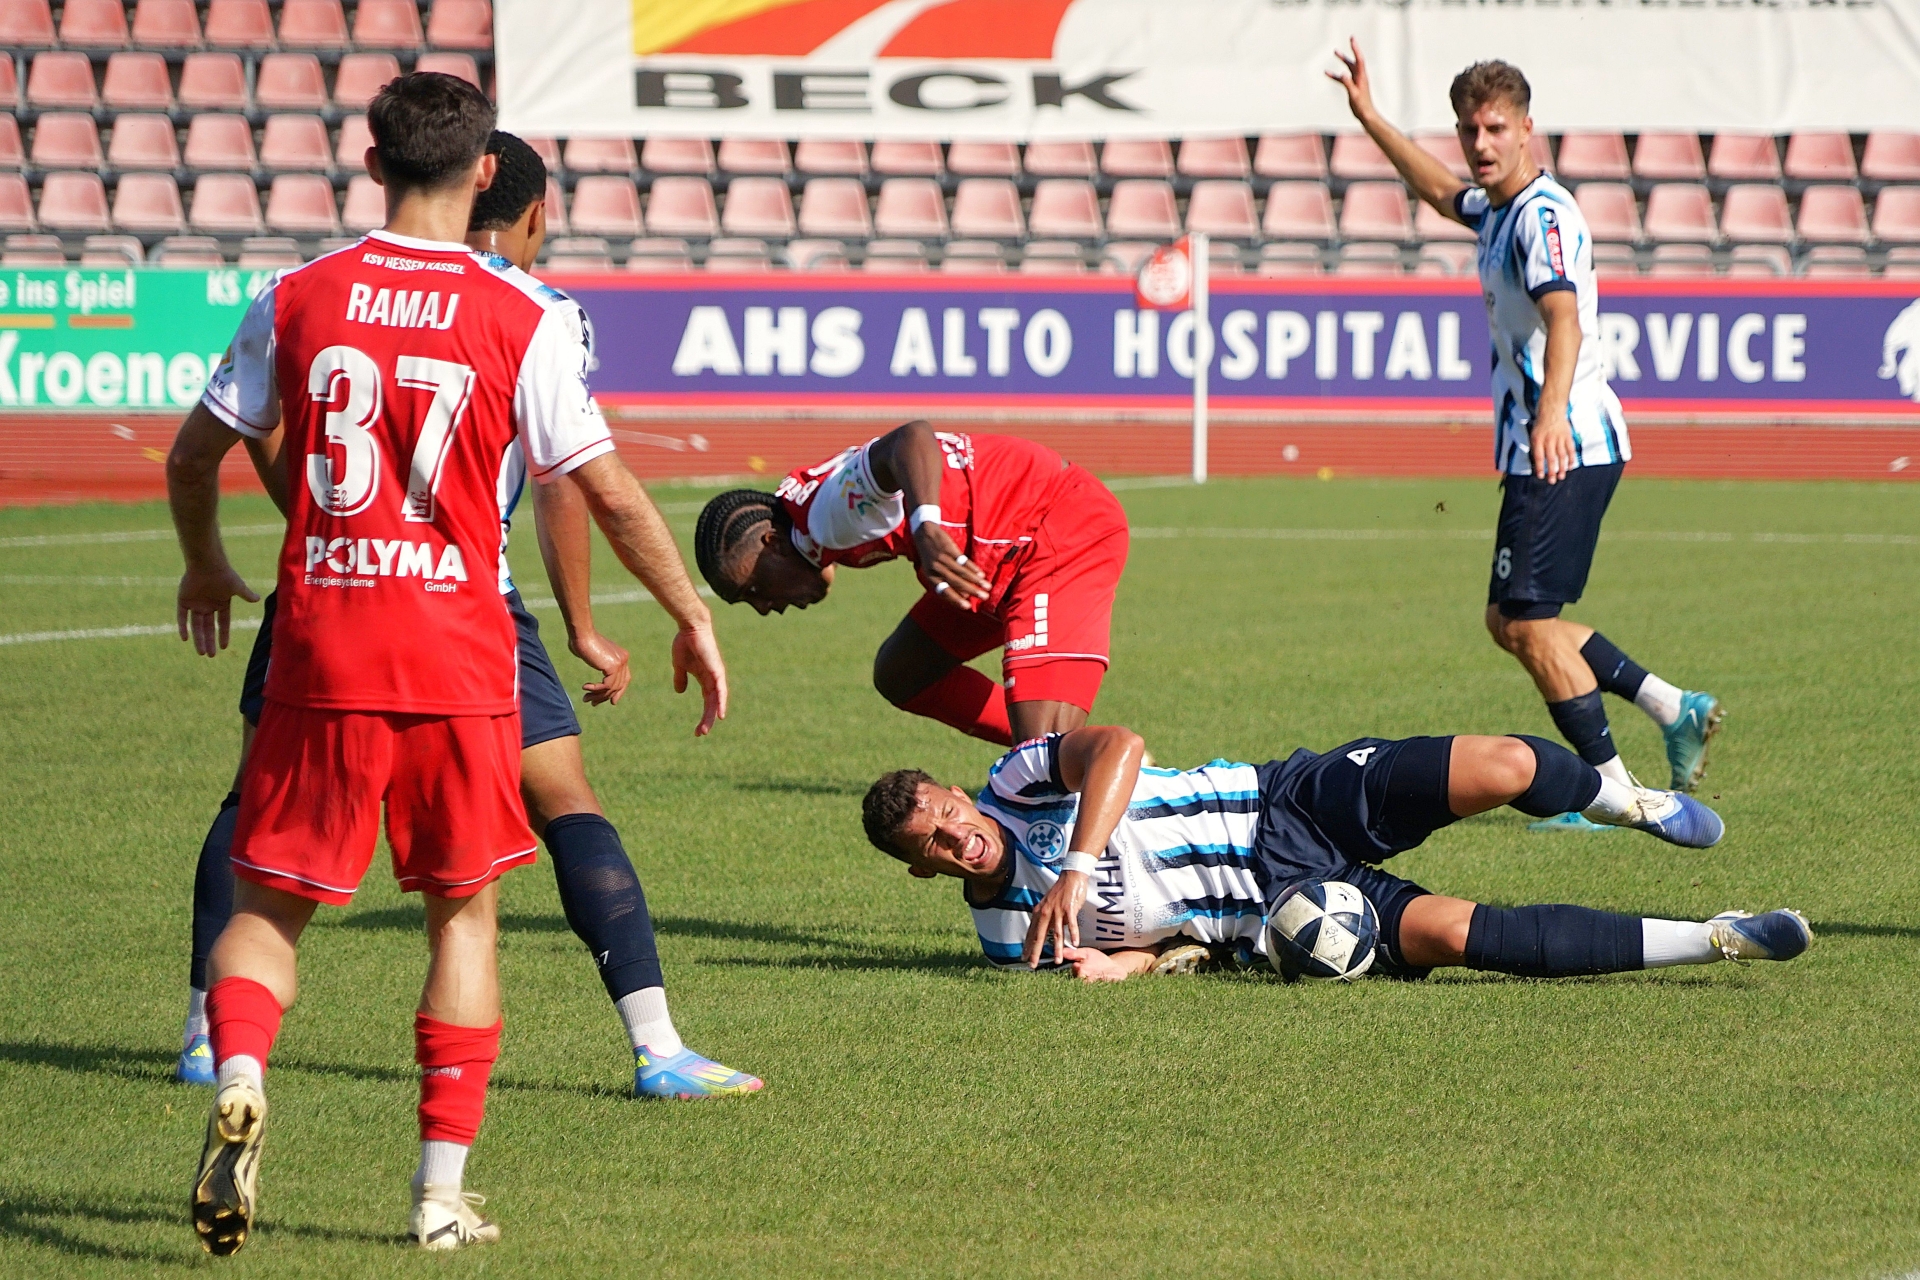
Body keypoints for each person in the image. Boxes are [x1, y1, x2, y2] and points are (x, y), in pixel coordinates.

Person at [167, 77, 722, 1256]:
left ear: (372, 163)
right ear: (484, 174)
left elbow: (194, 452)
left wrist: (207, 562)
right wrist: (688, 612)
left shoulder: (297, 293)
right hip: (458, 650)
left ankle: (241, 1070)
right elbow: (602, 486)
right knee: (462, 915)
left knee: (269, 904)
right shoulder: (522, 312)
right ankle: (437, 1196)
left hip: (322, 636)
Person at [1328, 43, 1723, 824]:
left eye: (1495, 129)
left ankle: (1615, 794)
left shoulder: (1541, 217)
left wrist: (1549, 417)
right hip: (1550, 442)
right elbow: (1438, 190)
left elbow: (1563, 317)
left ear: (1526, 130)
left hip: (1562, 443)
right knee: (1511, 621)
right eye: (1468, 130)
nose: (1479, 144)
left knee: (1527, 622)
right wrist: (1371, 117)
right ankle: (1671, 706)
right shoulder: (1496, 208)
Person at [861, 726, 1810, 984]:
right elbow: (1158, 951)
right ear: (922, 869)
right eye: (933, 843)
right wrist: (1132, 964)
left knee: (1506, 766)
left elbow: (1118, 747)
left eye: (947, 811)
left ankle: (1627, 801)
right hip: (1280, 914)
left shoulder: (1017, 783)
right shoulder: (1005, 940)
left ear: (958, 792)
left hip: (1282, 800)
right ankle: (1719, 938)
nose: (957, 835)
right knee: (1457, 935)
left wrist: (1074, 864)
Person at [693, 422, 1128, 746]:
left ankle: (1075, 761)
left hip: (1055, 529)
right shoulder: (810, 519)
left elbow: (911, 437)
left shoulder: (827, 519)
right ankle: (1077, 752)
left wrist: (926, 527)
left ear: (771, 544)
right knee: (903, 672)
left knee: (1041, 764)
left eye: (752, 591)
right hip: (990, 559)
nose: (765, 608)